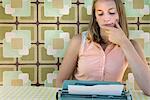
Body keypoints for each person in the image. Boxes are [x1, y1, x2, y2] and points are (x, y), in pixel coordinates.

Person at [56, 0, 150, 95]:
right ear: (95, 17)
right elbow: (60, 82)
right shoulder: (79, 41)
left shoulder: (132, 45)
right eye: (100, 14)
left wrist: (124, 43)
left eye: (111, 12)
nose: (106, 18)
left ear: (120, 15)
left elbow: (149, 88)